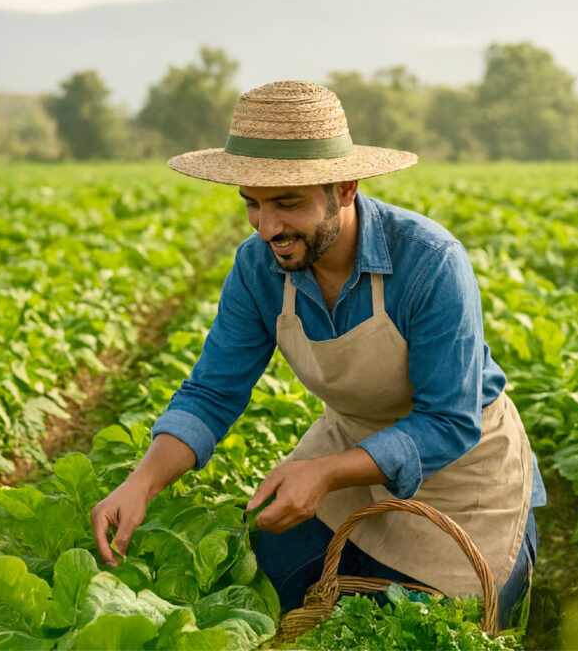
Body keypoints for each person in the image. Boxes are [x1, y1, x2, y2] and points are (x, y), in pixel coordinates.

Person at [91, 80, 546, 625]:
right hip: (348, 444)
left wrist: (326, 473)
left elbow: (448, 421)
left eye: (288, 204)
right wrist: (141, 482)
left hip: (463, 471)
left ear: (346, 188)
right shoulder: (257, 267)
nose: (269, 228)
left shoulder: (429, 262)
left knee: (437, 623)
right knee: (262, 585)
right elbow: (213, 392)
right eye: (253, 206)